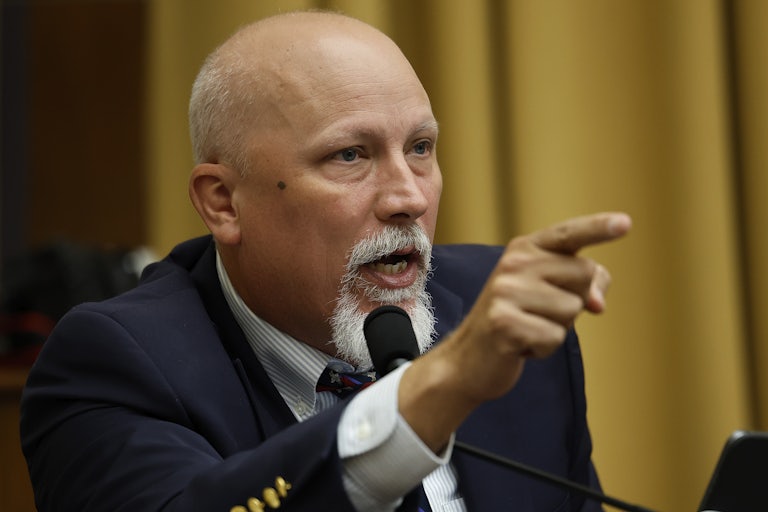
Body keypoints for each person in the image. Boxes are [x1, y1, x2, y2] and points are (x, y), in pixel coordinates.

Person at [20, 10, 631, 512]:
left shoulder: (499, 318)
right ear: (224, 203)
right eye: (349, 156)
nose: (409, 198)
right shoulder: (115, 365)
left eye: (420, 148)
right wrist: (438, 388)